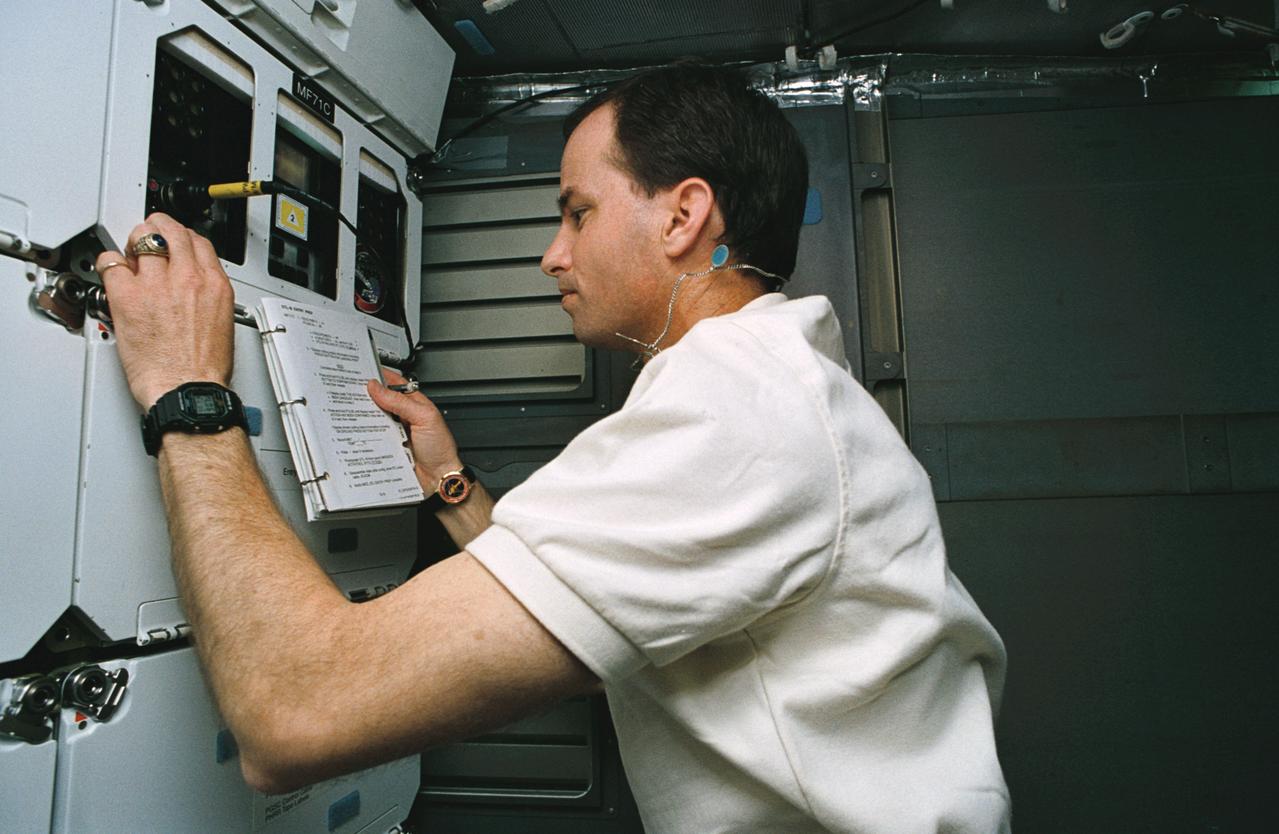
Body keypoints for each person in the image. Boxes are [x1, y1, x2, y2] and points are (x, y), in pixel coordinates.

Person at [97, 64, 1010, 833]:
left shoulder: (735, 411)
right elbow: (603, 621)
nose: (551, 254)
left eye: (576, 212)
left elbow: (294, 714)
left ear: (682, 216)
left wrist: (191, 394)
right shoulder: (771, 384)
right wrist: (452, 487)